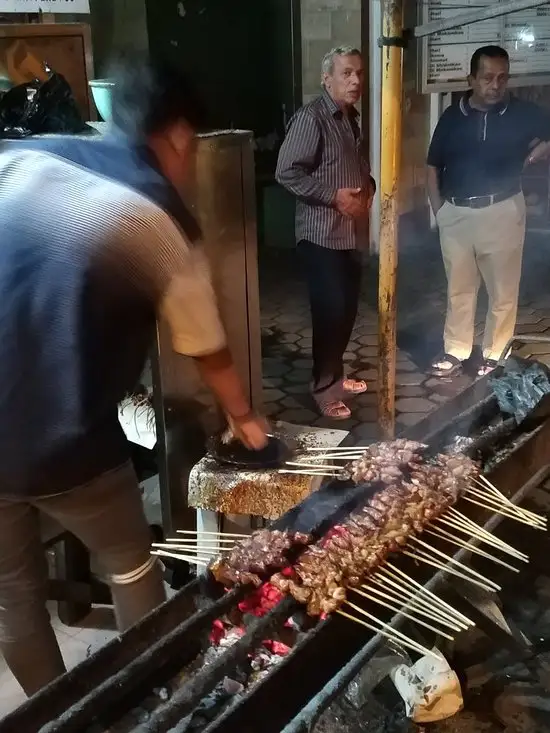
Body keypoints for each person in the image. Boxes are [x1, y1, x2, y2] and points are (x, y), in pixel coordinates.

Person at [0, 57, 268, 697]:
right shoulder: (152, 218)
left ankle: (56, 713)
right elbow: (208, 349)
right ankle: (150, 695)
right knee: (130, 566)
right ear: (177, 134)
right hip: (65, 444)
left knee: (12, 592)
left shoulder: (25, 158)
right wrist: (246, 420)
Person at [427, 45, 550, 378]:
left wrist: (541, 148)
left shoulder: (523, 113)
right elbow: (432, 167)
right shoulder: (452, 117)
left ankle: (495, 353)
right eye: (487, 78)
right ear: (472, 79)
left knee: (503, 290)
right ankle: (456, 350)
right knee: (459, 289)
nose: (495, 85)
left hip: (503, 210)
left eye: (502, 78)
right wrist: (440, 213)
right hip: (457, 214)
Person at [276, 46, 376, 420]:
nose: (355, 81)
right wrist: (332, 197)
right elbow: (286, 172)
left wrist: (367, 185)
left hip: (349, 233)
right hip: (320, 235)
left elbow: (353, 166)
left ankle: (336, 374)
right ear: (326, 78)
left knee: (347, 309)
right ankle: (322, 388)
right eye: (347, 73)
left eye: (360, 74)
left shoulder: (350, 118)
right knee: (330, 310)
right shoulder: (312, 118)